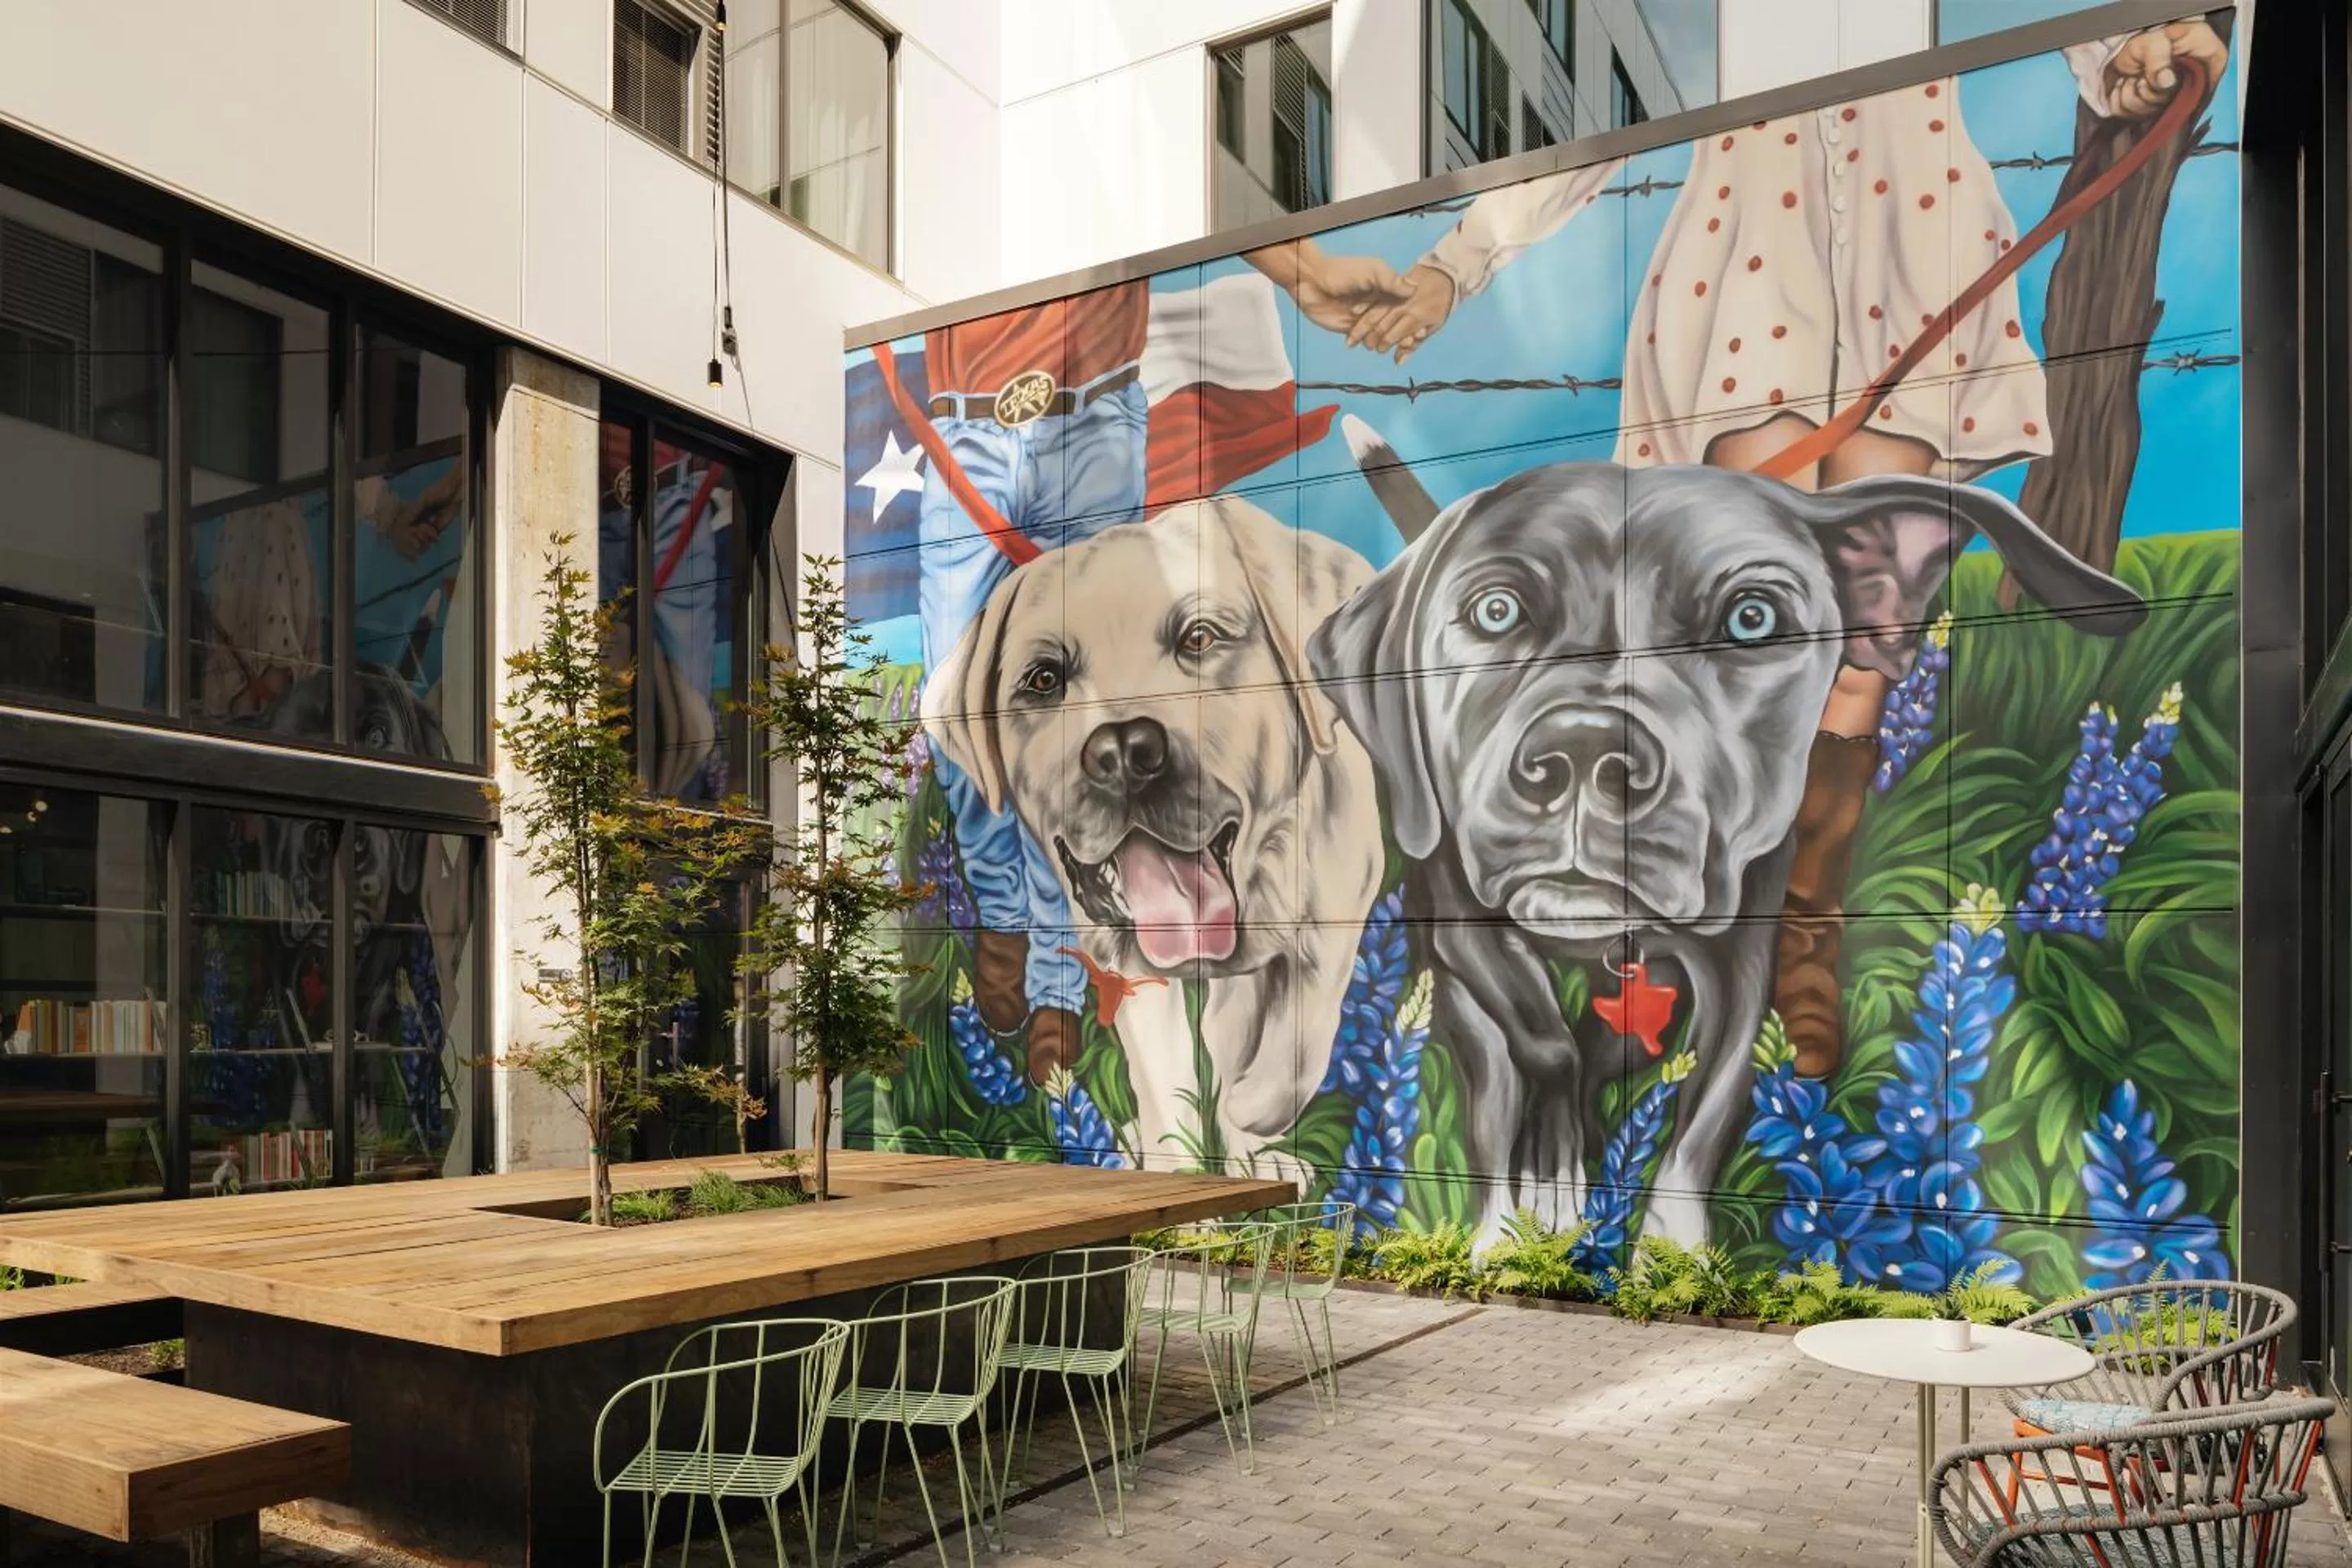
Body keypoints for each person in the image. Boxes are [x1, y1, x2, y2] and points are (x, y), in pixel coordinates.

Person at [1329, 19, 2228, 1077]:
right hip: (1749, 244)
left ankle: (1804, 937)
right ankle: (1658, 935)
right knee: (1718, 596)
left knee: (1861, 636)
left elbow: (2091, 46)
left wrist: (2119, 59)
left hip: (1918, 222)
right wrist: (1459, 260)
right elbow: (1614, 106)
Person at [909, 240, 1409, 1082]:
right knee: (979, 724)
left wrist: (1304, 273)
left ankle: (1059, 987)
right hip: (968, 427)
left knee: (1084, 727)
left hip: (1095, 421)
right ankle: (1000, 910)